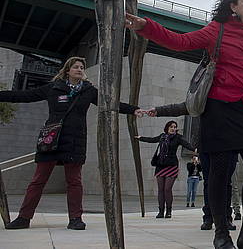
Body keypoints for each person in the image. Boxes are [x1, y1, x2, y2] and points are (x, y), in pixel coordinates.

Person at [126, 0, 243, 249]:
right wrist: (146, 26)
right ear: (233, 6)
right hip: (218, 110)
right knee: (219, 173)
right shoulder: (215, 31)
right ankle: (221, 233)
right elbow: (180, 42)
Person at [2, 56, 143, 230]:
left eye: (82, 67)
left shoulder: (88, 91)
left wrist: (134, 109)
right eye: (76, 67)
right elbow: (24, 96)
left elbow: (110, 102)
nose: (79, 69)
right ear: (67, 70)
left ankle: (75, 218)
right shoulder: (53, 88)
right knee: (38, 181)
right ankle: (24, 218)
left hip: (75, 140)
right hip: (51, 140)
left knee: (74, 181)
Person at [145, 98, 243, 232]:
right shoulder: (206, 96)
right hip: (208, 146)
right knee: (209, 183)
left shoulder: (234, 96)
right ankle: (208, 217)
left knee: (226, 184)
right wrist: (159, 111)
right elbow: (186, 106)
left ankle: (226, 218)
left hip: (229, 145)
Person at [136, 120, 196, 218]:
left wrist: (195, 149)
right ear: (167, 128)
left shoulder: (178, 138)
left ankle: (168, 211)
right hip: (160, 165)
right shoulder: (162, 137)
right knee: (160, 190)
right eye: (171, 127)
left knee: (167, 189)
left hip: (172, 165)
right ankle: (160, 211)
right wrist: (140, 138)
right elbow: (152, 139)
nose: (173, 128)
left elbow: (187, 144)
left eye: (175, 127)